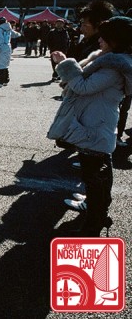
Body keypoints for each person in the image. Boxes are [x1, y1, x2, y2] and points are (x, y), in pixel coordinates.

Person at [48, 17, 132, 236]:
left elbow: (82, 87)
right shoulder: (109, 60)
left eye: (105, 36)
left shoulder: (114, 66)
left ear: (116, 40)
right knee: (96, 170)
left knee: (95, 173)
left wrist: (64, 63)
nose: (100, 40)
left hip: (97, 126)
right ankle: (97, 212)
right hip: (96, 122)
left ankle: (94, 223)